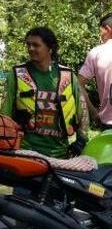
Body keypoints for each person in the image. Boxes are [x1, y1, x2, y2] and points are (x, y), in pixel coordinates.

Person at [1, 27, 89, 158]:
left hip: (60, 152)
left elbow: (82, 110)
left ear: (50, 48)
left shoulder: (68, 76)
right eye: (28, 44)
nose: (30, 48)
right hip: (24, 150)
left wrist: (82, 140)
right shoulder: (17, 74)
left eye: (36, 45)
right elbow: (4, 114)